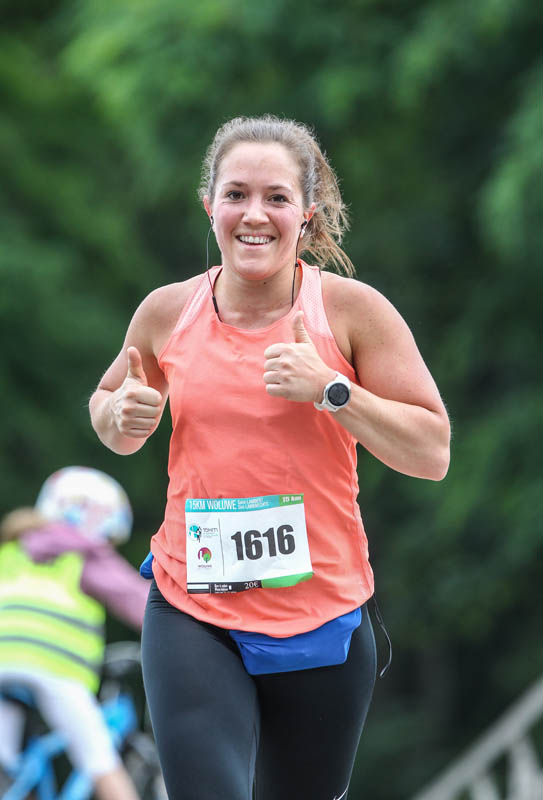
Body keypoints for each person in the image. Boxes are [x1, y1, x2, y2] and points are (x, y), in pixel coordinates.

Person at [89, 114, 450, 800]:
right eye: (236, 194)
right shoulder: (166, 312)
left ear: (305, 214)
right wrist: (118, 415)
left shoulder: (352, 312)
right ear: (210, 205)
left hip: (322, 618)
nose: (254, 215)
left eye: (276, 198)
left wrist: (333, 390)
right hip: (193, 606)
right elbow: (113, 410)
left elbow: (431, 451)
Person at [0, 466, 150, 800]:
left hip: (2, 661)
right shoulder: (85, 554)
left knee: (6, 769)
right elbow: (141, 604)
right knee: (101, 762)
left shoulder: (11, 551)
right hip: (54, 668)